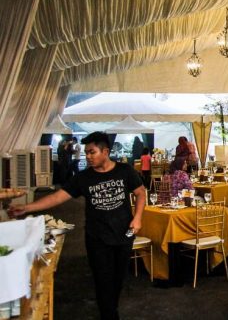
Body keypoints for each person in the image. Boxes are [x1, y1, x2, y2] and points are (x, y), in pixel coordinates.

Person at [10, 132, 145, 320]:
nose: (87, 156)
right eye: (86, 152)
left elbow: (140, 193)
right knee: (102, 280)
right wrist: (27, 207)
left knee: (117, 279)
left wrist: (137, 218)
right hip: (97, 238)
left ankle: (110, 308)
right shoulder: (84, 178)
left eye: (92, 152)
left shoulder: (125, 171)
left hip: (124, 235)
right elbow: (57, 197)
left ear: (105, 152)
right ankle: (109, 315)